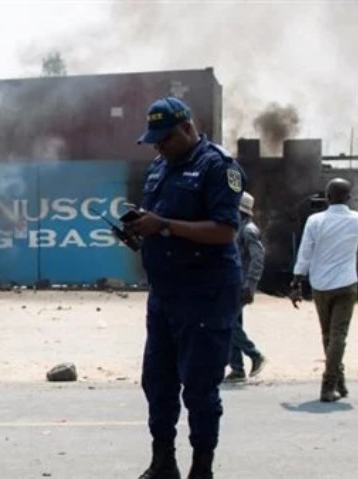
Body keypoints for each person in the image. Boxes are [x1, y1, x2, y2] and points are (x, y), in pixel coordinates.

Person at [126, 97, 244, 479]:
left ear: (188, 129)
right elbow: (158, 223)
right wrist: (140, 231)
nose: (159, 146)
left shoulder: (217, 166)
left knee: (198, 387)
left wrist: (163, 225)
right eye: (154, 140)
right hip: (164, 294)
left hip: (205, 295)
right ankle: (163, 463)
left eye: (165, 139)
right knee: (157, 382)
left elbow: (225, 230)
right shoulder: (161, 167)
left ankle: (201, 469)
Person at [291, 177, 358, 402]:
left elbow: (305, 252)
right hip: (347, 284)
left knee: (328, 335)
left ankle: (332, 383)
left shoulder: (315, 220)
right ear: (349, 198)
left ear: (327, 197)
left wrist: (296, 281)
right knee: (339, 336)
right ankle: (334, 383)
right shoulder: (357, 220)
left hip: (320, 285)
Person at [223, 192, 267, 383]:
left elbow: (258, 258)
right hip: (232, 283)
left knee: (228, 323)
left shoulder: (248, 230)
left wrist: (251, 284)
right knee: (233, 324)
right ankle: (237, 369)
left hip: (241, 285)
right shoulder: (237, 228)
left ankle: (255, 354)